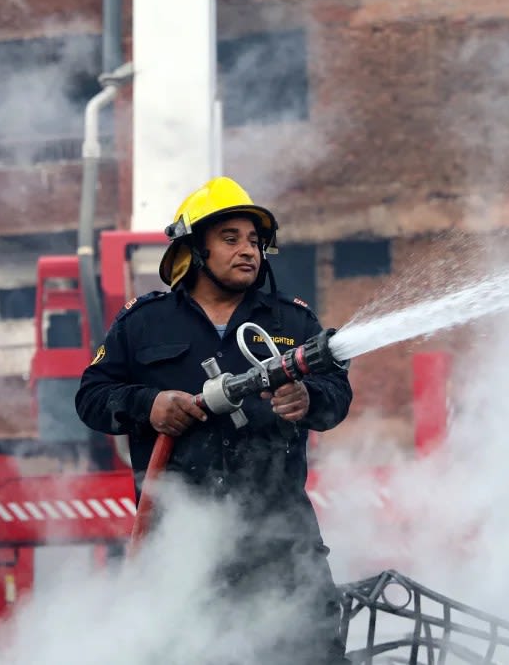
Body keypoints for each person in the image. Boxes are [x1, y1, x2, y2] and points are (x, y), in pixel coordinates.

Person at [75, 176, 353, 664]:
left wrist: (308, 399)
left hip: (281, 548)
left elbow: (337, 392)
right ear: (194, 249)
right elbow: (93, 396)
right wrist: (149, 405)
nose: (248, 251)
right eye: (230, 239)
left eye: (254, 241)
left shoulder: (292, 323)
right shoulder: (142, 323)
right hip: (179, 552)